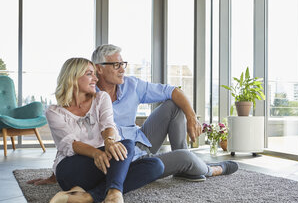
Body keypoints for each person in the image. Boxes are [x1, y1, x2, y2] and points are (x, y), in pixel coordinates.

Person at [29, 44, 238, 186]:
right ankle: (205, 168)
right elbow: (70, 137)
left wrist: (192, 116)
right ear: (99, 69)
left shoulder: (131, 85)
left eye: (123, 64)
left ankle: (183, 164)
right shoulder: (89, 97)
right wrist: (58, 173)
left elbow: (173, 90)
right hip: (118, 156)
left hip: (138, 143)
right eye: (116, 65)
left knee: (174, 105)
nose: (122, 69)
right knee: (179, 159)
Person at [45, 57, 164, 203]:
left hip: (104, 162)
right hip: (72, 169)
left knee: (154, 164)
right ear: (73, 77)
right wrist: (95, 153)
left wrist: (109, 142)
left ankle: (95, 196)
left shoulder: (101, 98)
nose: (96, 79)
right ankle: (112, 193)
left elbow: (108, 125)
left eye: (95, 74)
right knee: (126, 150)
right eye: (89, 74)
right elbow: (69, 143)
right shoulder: (54, 111)